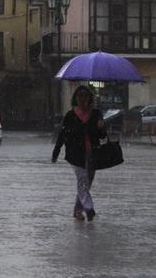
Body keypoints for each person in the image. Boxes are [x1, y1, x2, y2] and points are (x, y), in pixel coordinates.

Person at [52, 85, 106, 222]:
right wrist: (56, 152)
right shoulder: (70, 115)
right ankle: (89, 208)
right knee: (82, 180)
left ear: (89, 98)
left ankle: (77, 210)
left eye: (85, 96)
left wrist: (101, 127)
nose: (83, 99)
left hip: (93, 153)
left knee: (87, 183)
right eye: (80, 96)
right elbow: (62, 134)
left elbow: (102, 135)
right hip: (75, 154)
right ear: (76, 98)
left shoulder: (95, 114)